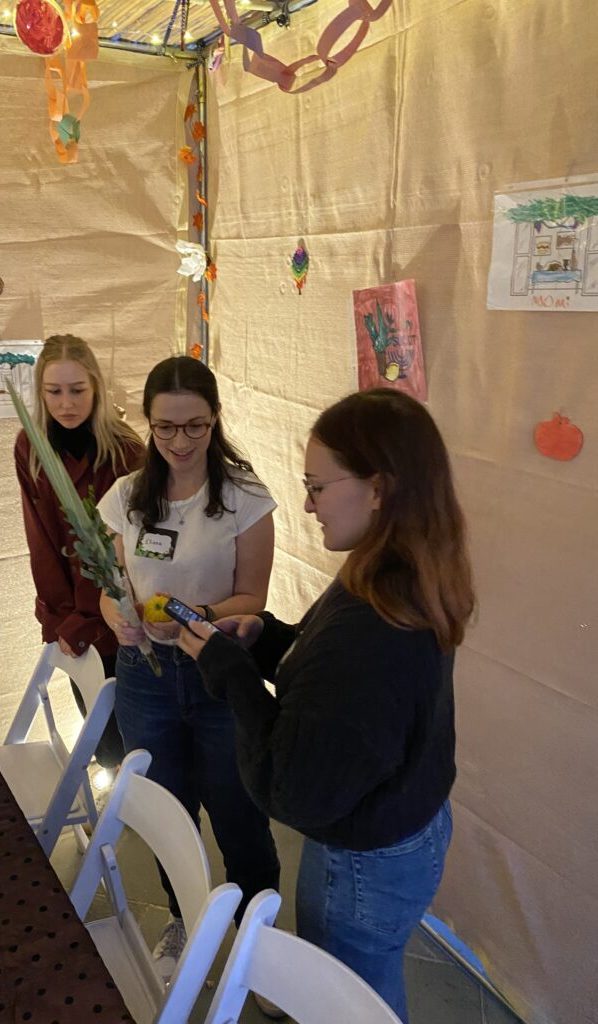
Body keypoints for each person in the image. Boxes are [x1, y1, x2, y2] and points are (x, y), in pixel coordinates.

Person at [178, 388, 475, 1023]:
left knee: (352, 1003)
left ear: (378, 488)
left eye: (317, 486)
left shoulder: (372, 625)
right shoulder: (398, 573)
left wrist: (228, 674)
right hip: (404, 826)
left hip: (366, 861)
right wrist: (269, 640)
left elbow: (291, 790)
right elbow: (340, 702)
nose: (307, 505)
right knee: (356, 982)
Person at [97, 355, 280, 981]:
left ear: (215, 420)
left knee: (239, 812)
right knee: (168, 813)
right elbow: (112, 584)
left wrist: (191, 616)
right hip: (145, 675)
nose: (179, 442)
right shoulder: (126, 496)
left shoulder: (245, 497)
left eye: (194, 427)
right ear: (148, 425)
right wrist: (115, 615)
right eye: (165, 428)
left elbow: (252, 597)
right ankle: (182, 920)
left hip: (219, 674)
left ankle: (259, 948)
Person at [15, 334, 143, 769]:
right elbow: (43, 542)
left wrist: (100, 612)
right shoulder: (30, 447)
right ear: (39, 392)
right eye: (54, 392)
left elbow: (128, 548)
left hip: (121, 609)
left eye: (77, 391)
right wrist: (64, 619)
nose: (66, 403)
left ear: (96, 389)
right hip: (72, 613)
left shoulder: (126, 450)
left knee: (138, 727)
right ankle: (120, 806)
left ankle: (152, 810)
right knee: (102, 734)